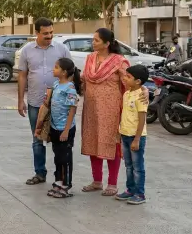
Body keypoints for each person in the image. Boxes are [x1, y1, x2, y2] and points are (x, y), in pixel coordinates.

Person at [16, 18, 71, 185]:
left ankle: (60, 177)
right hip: (35, 102)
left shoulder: (62, 49)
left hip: (59, 105)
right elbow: (22, 75)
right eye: (45, 33)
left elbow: (71, 73)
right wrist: (20, 100)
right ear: (37, 33)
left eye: (51, 32)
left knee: (58, 140)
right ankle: (40, 173)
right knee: (37, 139)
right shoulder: (27, 51)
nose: (49, 36)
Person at [80, 28, 129, 197]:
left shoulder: (119, 61)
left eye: (96, 40)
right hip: (91, 108)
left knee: (110, 143)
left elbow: (129, 84)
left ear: (107, 44)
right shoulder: (89, 58)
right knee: (93, 141)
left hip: (111, 109)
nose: (93, 43)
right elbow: (84, 80)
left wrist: (142, 92)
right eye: (93, 40)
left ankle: (113, 183)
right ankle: (97, 181)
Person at [34, 58, 80, 199]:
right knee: (57, 157)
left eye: (56, 67)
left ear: (64, 72)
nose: (53, 70)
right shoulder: (56, 85)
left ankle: (66, 185)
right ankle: (58, 182)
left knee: (65, 158)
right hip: (54, 127)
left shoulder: (70, 88)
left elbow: (72, 110)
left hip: (64, 129)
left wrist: (66, 130)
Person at [116, 65, 150, 205]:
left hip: (136, 137)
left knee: (137, 167)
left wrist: (136, 139)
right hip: (125, 134)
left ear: (138, 81)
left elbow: (142, 118)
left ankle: (140, 194)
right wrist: (120, 133)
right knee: (128, 165)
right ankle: (130, 190)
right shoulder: (127, 93)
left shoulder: (141, 96)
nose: (125, 78)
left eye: (128, 77)